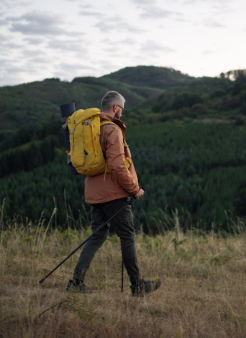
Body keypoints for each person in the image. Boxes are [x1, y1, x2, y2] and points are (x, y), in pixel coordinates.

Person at [67, 91, 161, 297]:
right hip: (113, 194)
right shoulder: (112, 129)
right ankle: (137, 286)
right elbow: (118, 166)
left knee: (96, 236)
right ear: (116, 108)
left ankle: (76, 282)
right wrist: (134, 190)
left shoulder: (91, 128)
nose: (122, 114)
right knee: (127, 236)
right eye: (122, 109)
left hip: (94, 191)